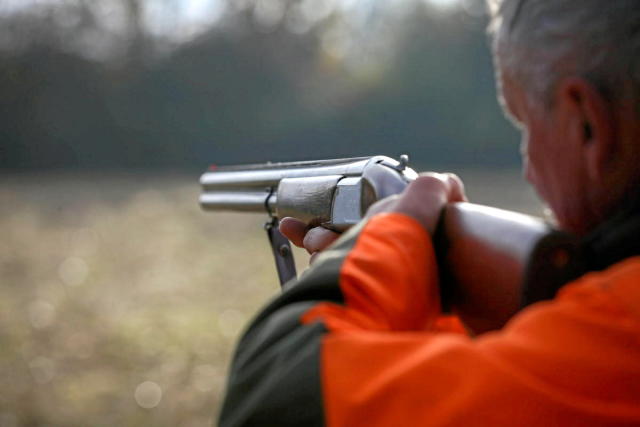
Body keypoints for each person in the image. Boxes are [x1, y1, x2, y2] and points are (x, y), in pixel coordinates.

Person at [218, 1, 640, 425]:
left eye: (526, 125)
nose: (528, 166)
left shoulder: (618, 334)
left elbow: (271, 393)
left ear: (585, 122)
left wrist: (381, 244)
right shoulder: (602, 328)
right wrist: (426, 309)